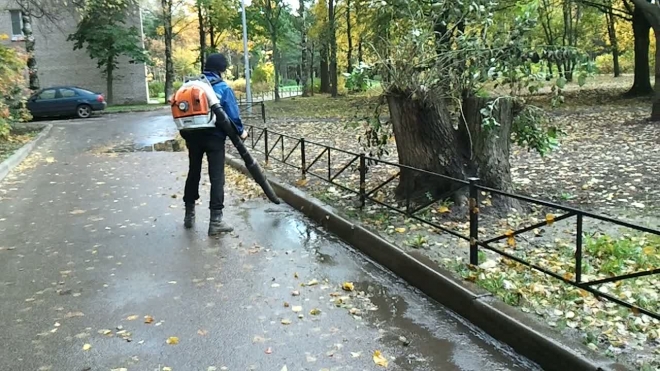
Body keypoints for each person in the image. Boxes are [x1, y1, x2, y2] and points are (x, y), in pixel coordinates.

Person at [181, 53, 248, 236]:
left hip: (192, 136)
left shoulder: (191, 85)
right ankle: (215, 221)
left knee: (193, 172)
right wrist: (241, 132)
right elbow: (232, 116)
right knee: (216, 177)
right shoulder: (222, 88)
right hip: (214, 137)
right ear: (221, 69)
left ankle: (189, 215)